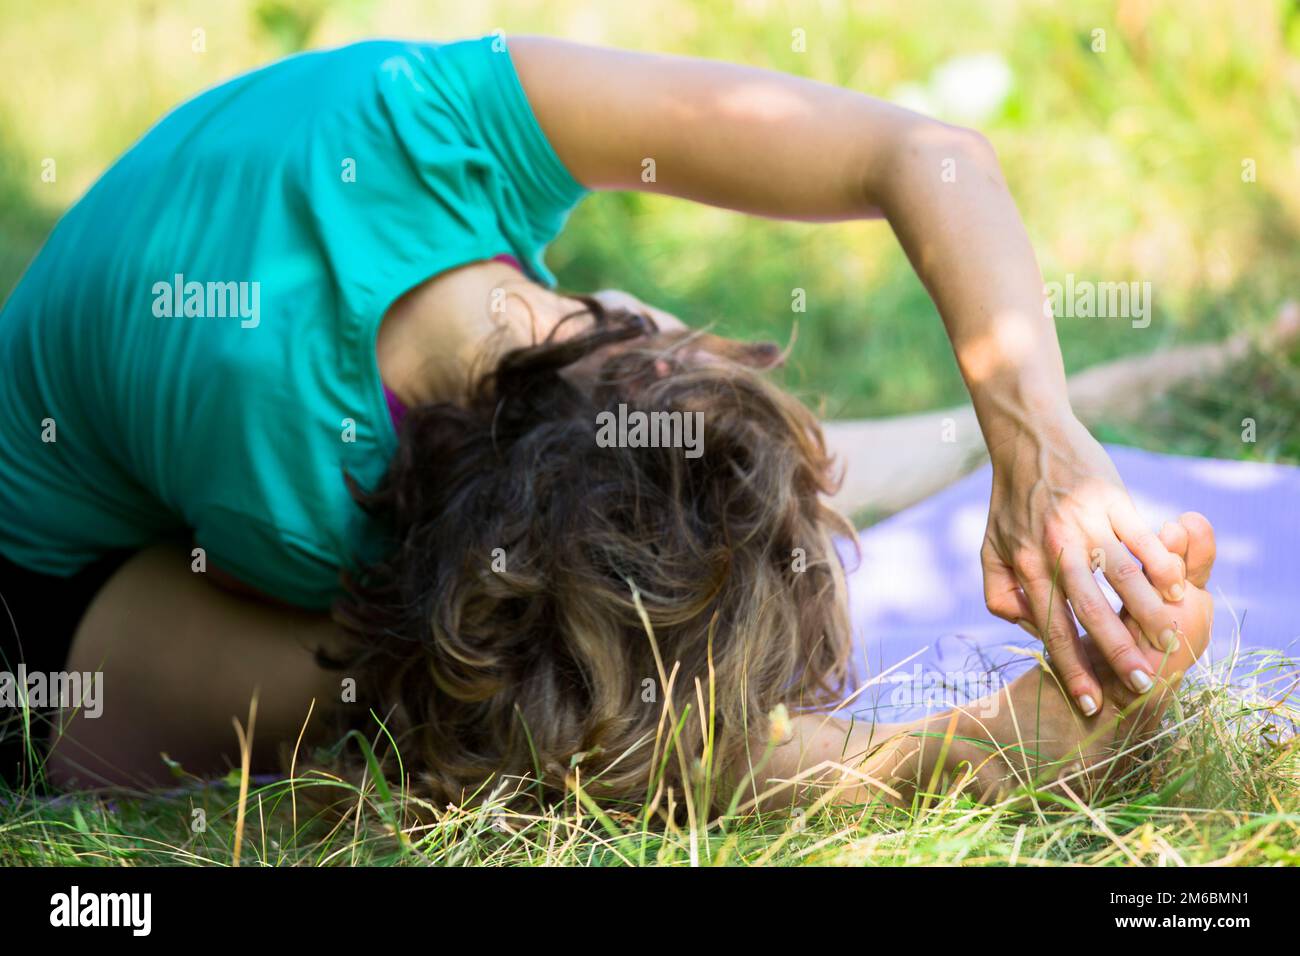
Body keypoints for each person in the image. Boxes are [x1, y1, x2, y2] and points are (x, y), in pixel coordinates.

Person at [0, 33, 1237, 796]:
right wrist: (968, 738)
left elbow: (926, 153)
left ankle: (1122, 396)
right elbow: (572, 726)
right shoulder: (291, 488)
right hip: (42, 594)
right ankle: (956, 752)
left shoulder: (450, 124)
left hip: (211, 410)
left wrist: (1041, 438)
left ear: (646, 333)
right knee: (521, 714)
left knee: (622, 595)